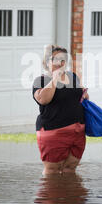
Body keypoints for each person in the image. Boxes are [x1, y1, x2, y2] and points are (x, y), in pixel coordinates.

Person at [32, 45, 89, 175]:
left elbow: (80, 96)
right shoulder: (41, 80)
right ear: (47, 62)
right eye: (56, 59)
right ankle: (51, 195)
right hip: (53, 131)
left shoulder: (73, 77)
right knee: (52, 170)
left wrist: (84, 94)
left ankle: (69, 195)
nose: (60, 63)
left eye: (63, 60)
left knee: (70, 169)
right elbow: (43, 99)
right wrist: (55, 79)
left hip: (77, 132)